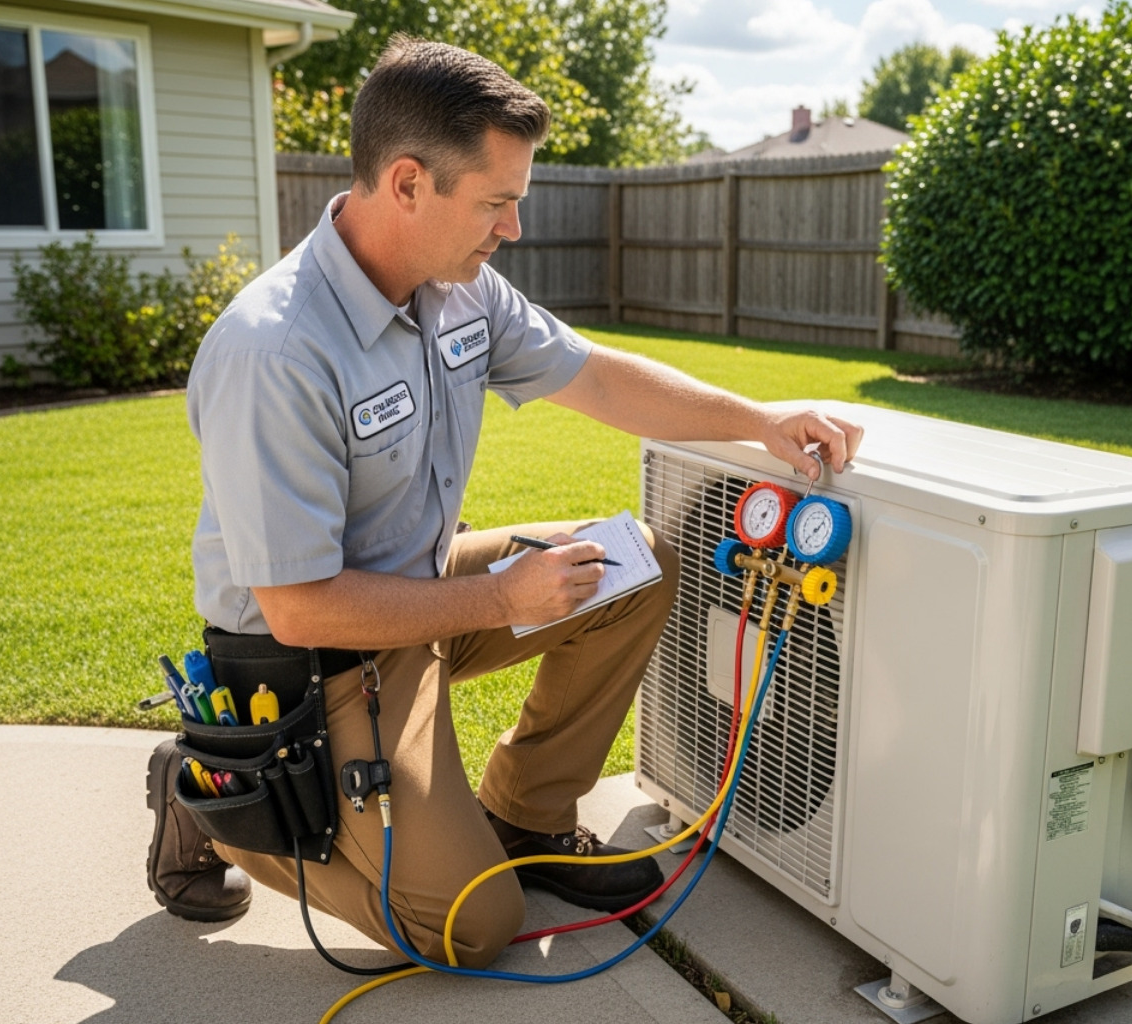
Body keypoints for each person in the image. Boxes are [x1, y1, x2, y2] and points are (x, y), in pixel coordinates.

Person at [144, 35, 862, 968]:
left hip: (426, 586)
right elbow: (300, 606)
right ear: (408, 183)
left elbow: (594, 376)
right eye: (496, 202)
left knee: (635, 564)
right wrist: (499, 598)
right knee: (469, 928)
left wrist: (759, 419)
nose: (512, 228)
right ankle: (217, 801)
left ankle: (526, 815)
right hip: (313, 663)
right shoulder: (275, 352)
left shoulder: (463, 293)